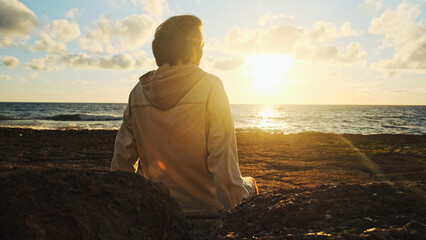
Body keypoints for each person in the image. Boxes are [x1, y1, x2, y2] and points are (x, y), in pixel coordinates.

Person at [110, 15, 258, 217]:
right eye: (202, 45)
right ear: (194, 49)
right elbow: (223, 170)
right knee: (250, 183)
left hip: (160, 206)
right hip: (207, 207)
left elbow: (121, 165)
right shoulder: (211, 87)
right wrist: (241, 218)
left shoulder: (137, 92)